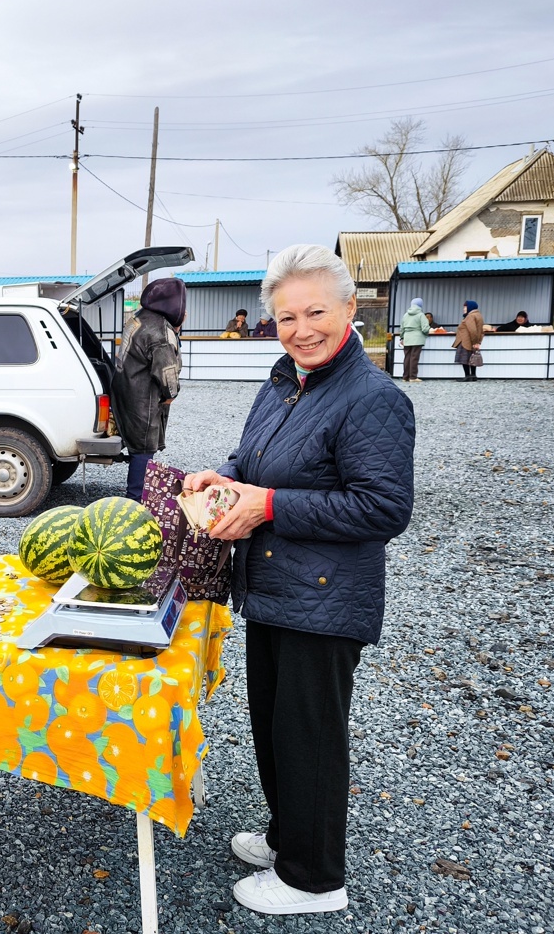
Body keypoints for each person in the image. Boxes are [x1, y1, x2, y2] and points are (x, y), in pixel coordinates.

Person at [184, 244, 415, 916]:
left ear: (350, 309)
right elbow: (255, 459)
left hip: (325, 597)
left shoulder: (372, 398)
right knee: (277, 728)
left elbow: (383, 507)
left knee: (310, 737)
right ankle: (289, 838)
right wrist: (224, 480)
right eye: (286, 317)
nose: (302, 328)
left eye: (316, 311)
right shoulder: (286, 380)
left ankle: (313, 880)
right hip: (278, 591)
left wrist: (270, 506)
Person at [112, 277, 185, 501]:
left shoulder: (138, 318)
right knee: (143, 451)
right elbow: (168, 377)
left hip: (125, 391)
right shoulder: (160, 333)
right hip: (143, 400)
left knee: (137, 448)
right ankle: (135, 501)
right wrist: (171, 395)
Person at [399, 297, 430, 382]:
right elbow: (425, 328)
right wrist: (425, 334)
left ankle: (405, 377)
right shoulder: (421, 315)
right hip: (417, 338)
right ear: (420, 305)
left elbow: (402, 328)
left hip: (407, 338)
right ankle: (413, 377)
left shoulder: (405, 315)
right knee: (414, 357)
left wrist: (402, 337)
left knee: (407, 357)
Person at [453, 299, 484, 381]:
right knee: (472, 357)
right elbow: (481, 331)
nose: (464, 308)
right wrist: (478, 342)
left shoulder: (470, 316)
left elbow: (472, 330)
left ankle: (467, 376)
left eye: (465, 307)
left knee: (465, 358)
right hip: (473, 340)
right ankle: (473, 375)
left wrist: (474, 342)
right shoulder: (478, 315)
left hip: (466, 340)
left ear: (470, 307)